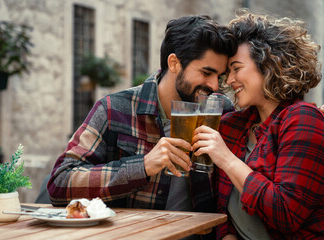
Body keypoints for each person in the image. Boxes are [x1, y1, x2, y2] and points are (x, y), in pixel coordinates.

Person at [47, 14, 237, 224]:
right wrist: (143, 166)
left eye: (218, 76)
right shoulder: (114, 109)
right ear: (174, 63)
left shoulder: (220, 111)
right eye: (206, 72)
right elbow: (60, 183)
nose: (214, 86)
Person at [192, 11, 324, 239]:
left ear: (269, 65)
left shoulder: (303, 119)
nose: (229, 80)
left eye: (236, 68)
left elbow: (286, 214)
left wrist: (227, 159)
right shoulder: (232, 126)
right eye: (227, 73)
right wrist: (227, 235)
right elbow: (223, 202)